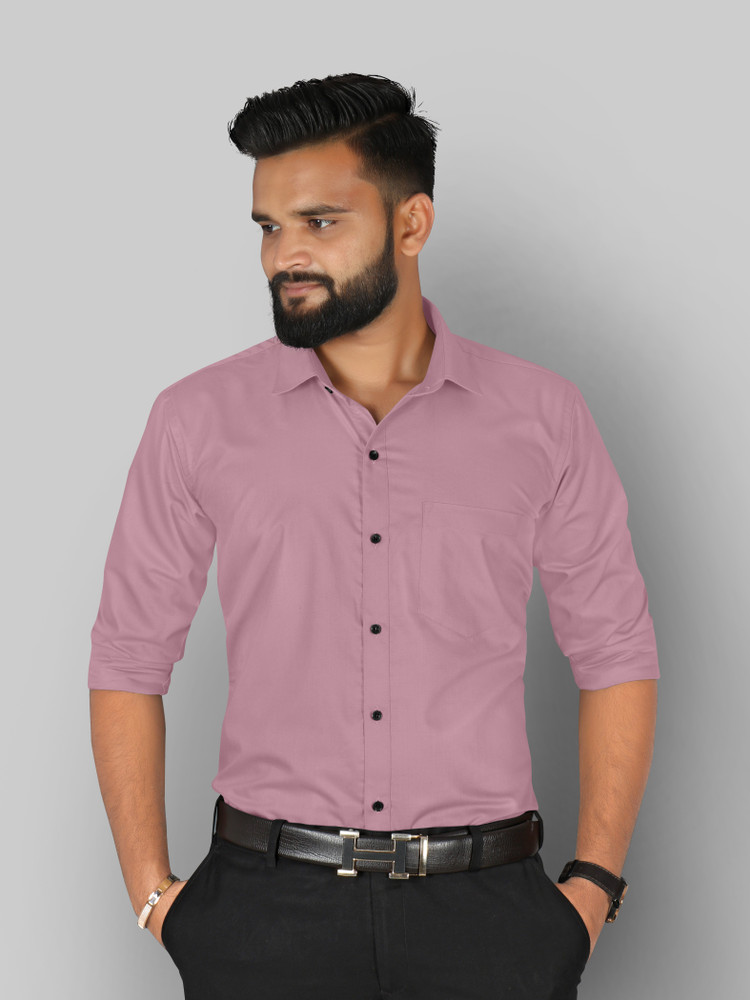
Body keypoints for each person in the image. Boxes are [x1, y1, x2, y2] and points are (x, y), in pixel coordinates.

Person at [88, 72, 659, 1000]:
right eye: (269, 227)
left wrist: (591, 889)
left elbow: (616, 651)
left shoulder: (544, 417)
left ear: (412, 223)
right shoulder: (195, 420)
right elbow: (127, 655)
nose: (285, 255)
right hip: (261, 914)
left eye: (319, 222)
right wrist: (155, 896)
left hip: (491, 919)